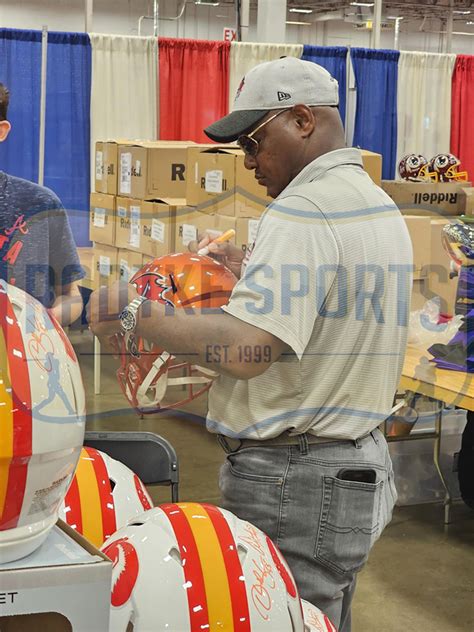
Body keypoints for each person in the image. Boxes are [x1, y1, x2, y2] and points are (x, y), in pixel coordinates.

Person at [88, 57, 413, 631]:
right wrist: (254, 272)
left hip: (295, 479)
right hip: (349, 467)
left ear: (304, 120)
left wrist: (135, 312)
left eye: (255, 140)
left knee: (276, 617)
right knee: (316, 618)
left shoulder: (305, 209)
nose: (249, 161)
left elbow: (246, 350)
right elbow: (328, 309)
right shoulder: (369, 200)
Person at [0, 82, 83, 325]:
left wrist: (47, 321)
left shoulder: (41, 204)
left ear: (2, 131)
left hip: (25, 357)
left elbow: (70, 295)